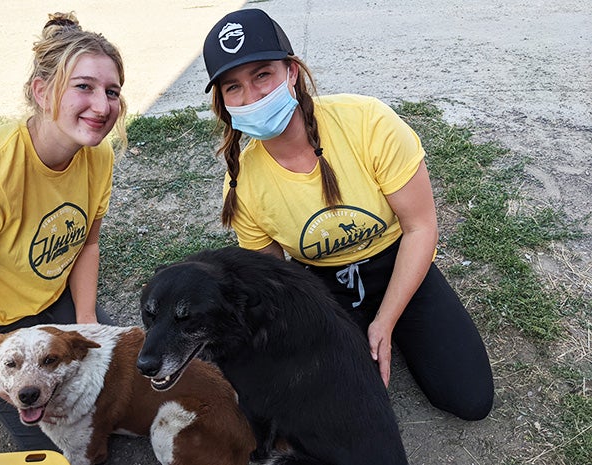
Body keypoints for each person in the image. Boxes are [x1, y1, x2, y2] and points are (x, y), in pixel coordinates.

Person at [202, 8, 494, 421]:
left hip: (398, 260)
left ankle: (404, 325)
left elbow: (420, 227)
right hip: (321, 284)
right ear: (223, 101)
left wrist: (385, 322)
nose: (252, 97)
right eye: (234, 87)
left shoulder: (367, 123)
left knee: (469, 399)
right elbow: (276, 281)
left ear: (292, 72)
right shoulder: (242, 184)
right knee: (342, 406)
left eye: (263, 74)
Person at [0, 12, 126, 449]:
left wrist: (85, 321)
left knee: (115, 395)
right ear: (42, 90)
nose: (103, 105)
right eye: (84, 87)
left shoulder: (98, 155)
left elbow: (87, 242)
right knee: (57, 444)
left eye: (112, 91)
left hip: (58, 304)